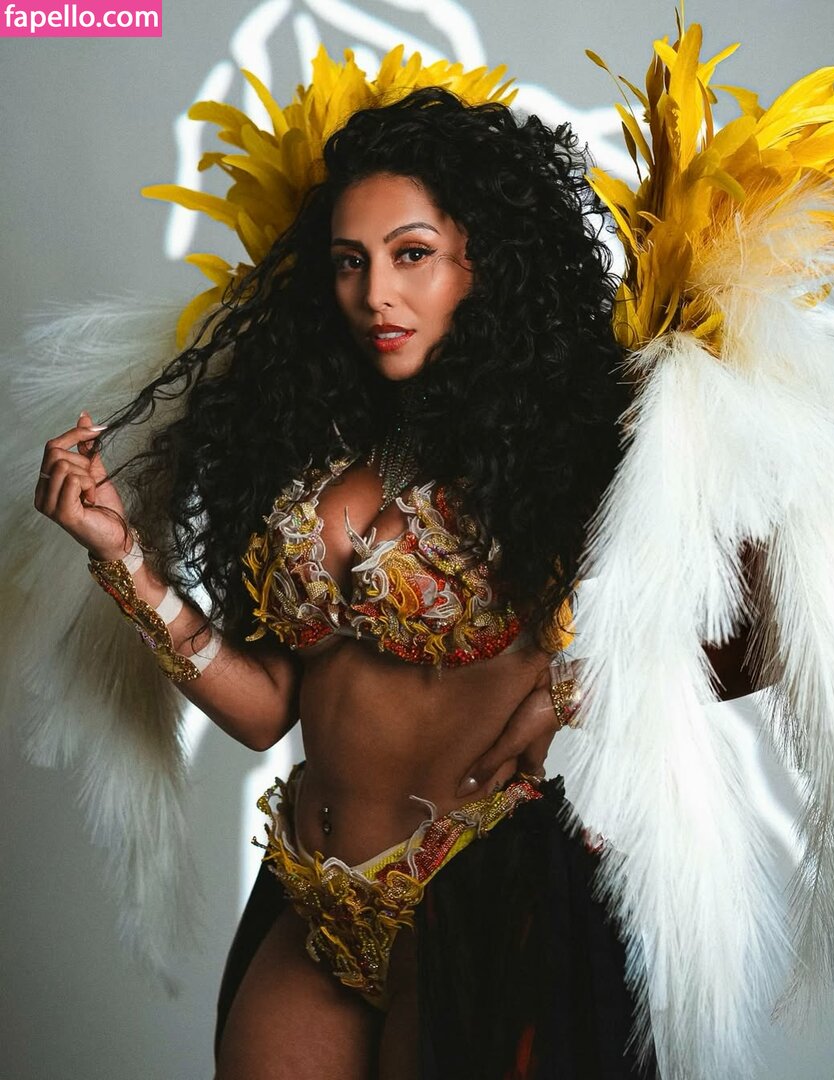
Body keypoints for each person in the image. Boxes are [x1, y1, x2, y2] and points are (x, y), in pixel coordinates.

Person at [33, 80, 649, 1079]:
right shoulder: (316, 445)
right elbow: (266, 710)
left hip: (472, 889)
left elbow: (748, 632)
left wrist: (571, 689)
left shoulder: (573, 449)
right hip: (309, 897)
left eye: (412, 254)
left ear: (483, 262)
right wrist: (122, 557)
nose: (375, 295)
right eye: (350, 261)